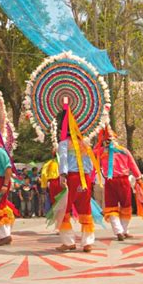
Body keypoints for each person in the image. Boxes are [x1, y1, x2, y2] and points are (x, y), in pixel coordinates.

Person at [56, 105, 99, 253]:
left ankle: (68, 242)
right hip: (85, 179)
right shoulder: (85, 144)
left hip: (72, 178)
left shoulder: (64, 144)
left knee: (64, 210)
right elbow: (90, 165)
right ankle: (87, 243)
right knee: (85, 209)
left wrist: (63, 175)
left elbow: (63, 159)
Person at [98, 127, 143, 241]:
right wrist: (138, 177)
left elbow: (91, 155)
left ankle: (119, 231)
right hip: (123, 181)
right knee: (126, 206)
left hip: (110, 181)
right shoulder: (124, 151)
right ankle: (123, 230)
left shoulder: (101, 152)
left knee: (111, 207)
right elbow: (133, 165)